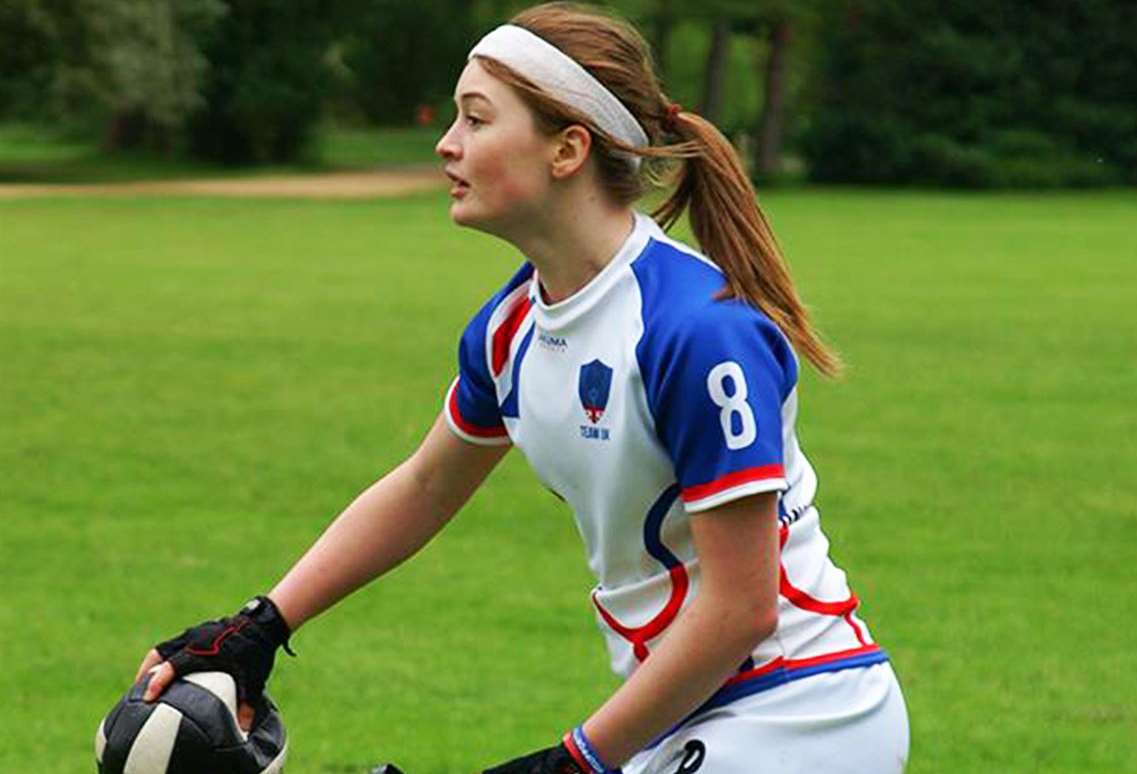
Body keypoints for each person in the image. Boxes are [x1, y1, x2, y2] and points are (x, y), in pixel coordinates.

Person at [134, 3, 910, 772]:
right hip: (686, 717)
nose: (447, 144)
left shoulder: (697, 331)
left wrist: (571, 763)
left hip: (805, 712)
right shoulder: (510, 329)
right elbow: (426, 485)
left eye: (476, 119)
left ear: (567, 149)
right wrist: (260, 625)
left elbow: (744, 609)